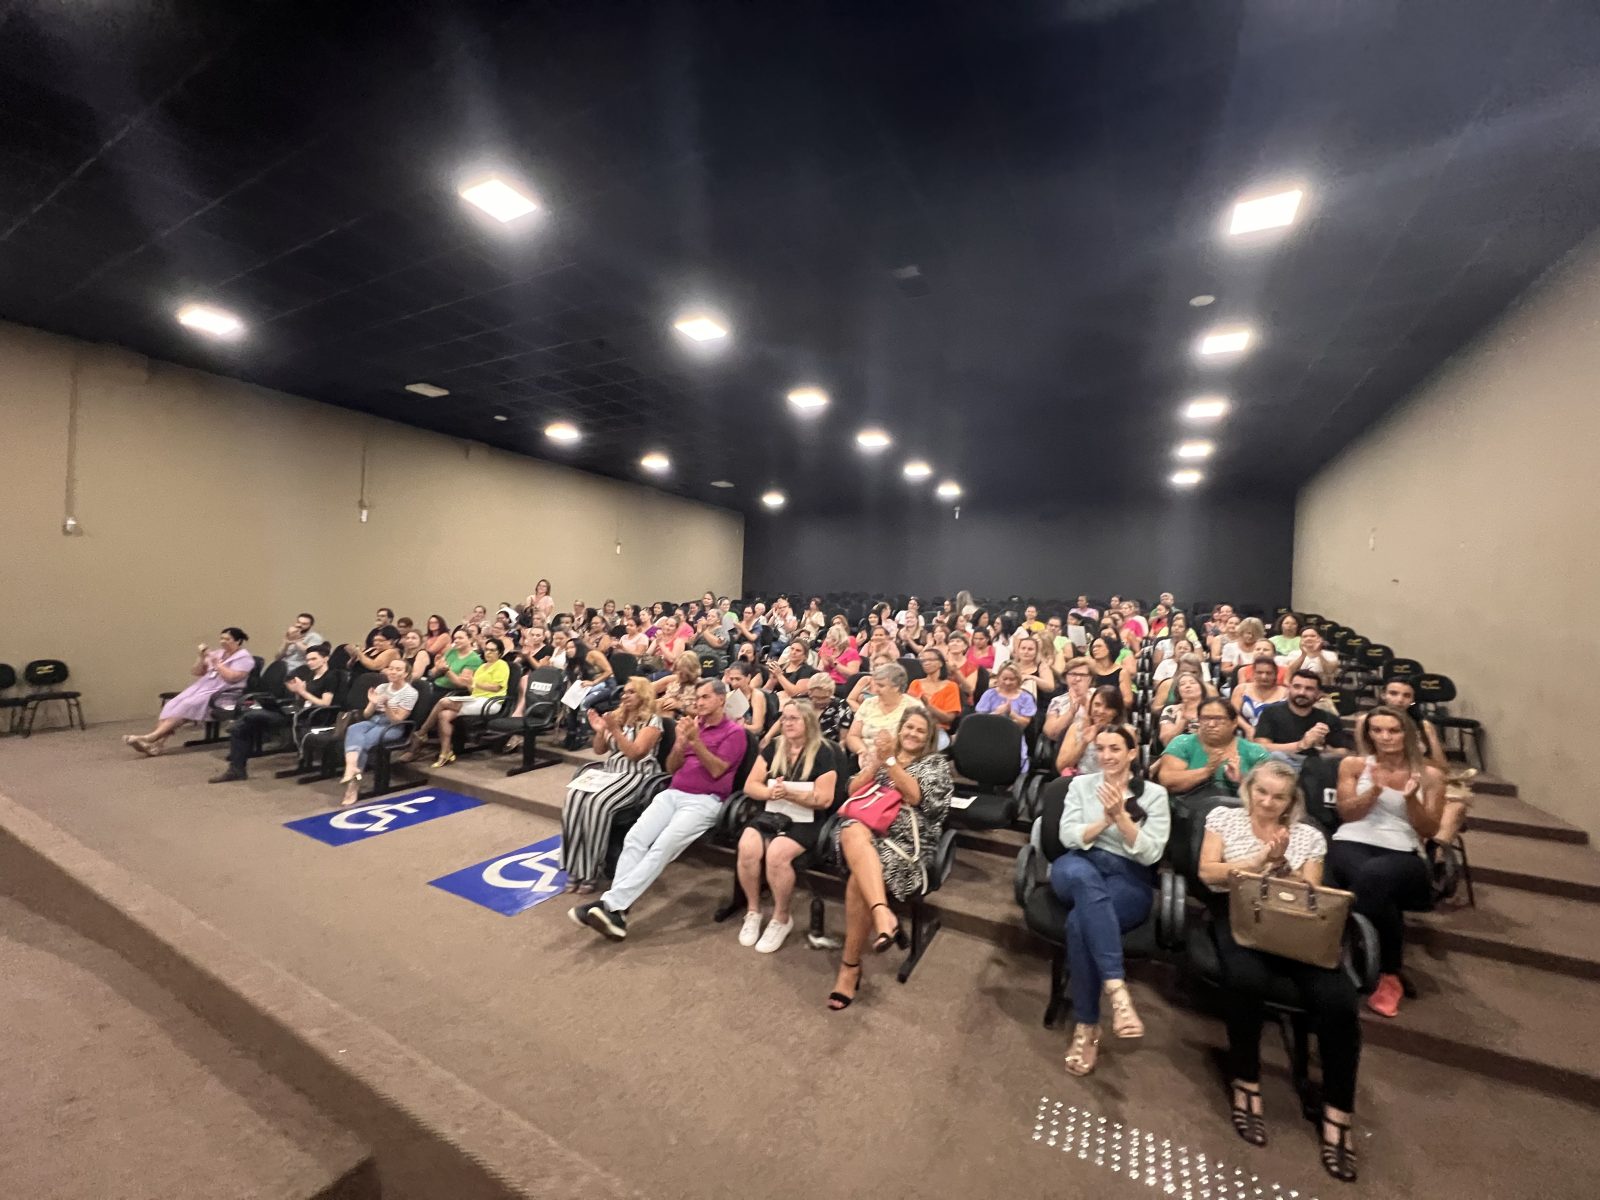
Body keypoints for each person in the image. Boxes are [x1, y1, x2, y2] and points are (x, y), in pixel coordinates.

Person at [1196, 761, 1360, 1183]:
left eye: (1279, 796)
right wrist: (1258, 859)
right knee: (1246, 980)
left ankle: (1338, 1111)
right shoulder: (1224, 818)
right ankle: (1246, 1081)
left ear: (1292, 802)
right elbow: (1208, 873)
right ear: (1249, 788)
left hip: (1293, 923)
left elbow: (1311, 893)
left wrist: (1283, 864)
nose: (1268, 802)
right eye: (1262, 792)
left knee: (1338, 1000)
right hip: (1236, 913)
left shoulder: (1307, 836)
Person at [572, 679, 749, 940]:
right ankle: (617, 912)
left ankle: (610, 906)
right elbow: (671, 768)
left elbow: (717, 770)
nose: (699, 702)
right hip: (673, 793)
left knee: (661, 847)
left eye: (705, 697)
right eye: (697, 697)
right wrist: (679, 744)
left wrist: (695, 741)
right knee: (635, 839)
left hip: (706, 801)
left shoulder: (735, 733)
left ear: (721, 700)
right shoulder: (693, 726)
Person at [1051, 726, 1171, 1075]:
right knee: (1086, 883)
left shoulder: (1154, 795)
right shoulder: (1081, 785)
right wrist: (1104, 820)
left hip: (1128, 876)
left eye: (1115, 748)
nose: (1106, 755)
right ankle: (1117, 989)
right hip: (1078, 864)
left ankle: (1087, 1025)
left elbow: (1150, 854)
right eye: (1100, 748)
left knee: (1079, 922)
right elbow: (1067, 835)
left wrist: (1122, 817)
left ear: (1133, 753)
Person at [828, 708, 952, 1009]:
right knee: (852, 829)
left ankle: (850, 967)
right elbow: (852, 791)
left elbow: (915, 797)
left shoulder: (936, 764)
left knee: (859, 877)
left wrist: (891, 762)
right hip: (864, 833)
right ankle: (882, 912)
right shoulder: (883, 755)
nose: (911, 734)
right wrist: (874, 764)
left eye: (919, 731)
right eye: (907, 727)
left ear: (929, 738)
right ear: (900, 729)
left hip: (906, 846)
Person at [1329, 706, 1445, 1018]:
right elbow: (1347, 814)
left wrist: (1409, 798)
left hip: (1402, 851)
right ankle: (1388, 973)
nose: (1385, 737)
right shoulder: (1354, 765)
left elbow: (1429, 830)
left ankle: (1353, 953)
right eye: (1377, 730)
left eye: (1393, 730)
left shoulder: (1430, 775)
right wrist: (1376, 788)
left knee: (1374, 876)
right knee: (1371, 882)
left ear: (1407, 733)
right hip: (1351, 841)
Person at [735, 700, 843, 953]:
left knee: (777, 854)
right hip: (774, 812)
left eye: (794, 718)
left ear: (808, 721)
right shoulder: (775, 747)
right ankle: (753, 911)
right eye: (784, 718)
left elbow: (825, 799)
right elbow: (751, 785)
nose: (787, 723)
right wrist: (772, 793)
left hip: (809, 818)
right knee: (747, 846)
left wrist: (789, 794)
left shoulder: (825, 752)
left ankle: (781, 918)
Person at [560, 676, 666, 895]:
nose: (625, 695)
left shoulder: (653, 721)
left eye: (631, 692)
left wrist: (615, 731)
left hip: (637, 774)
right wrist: (600, 730)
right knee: (575, 796)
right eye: (624, 692)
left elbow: (637, 753)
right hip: (611, 771)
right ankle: (574, 867)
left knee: (597, 804)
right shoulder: (617, 716)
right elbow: (599, 750)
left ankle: (589, 870)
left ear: (644, 695)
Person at [210, 643, 337, 783]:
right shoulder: (308, 674)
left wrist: (301, 691)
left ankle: (236, 765)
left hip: (310, 716)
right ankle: (236, 767)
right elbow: (300, 698)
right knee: (247, 720)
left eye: (314, 659)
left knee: (246, 720)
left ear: (325, 659)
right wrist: (296, 691)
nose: (309, 663)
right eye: (308, 660)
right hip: (294, 711)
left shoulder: (331, 677)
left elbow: (325, 703)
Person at [124, 628, 254, 756]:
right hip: (203, 689)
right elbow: (196, 672)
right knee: (173, 704)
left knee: (187, 705)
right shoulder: (219, 653)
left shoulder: (245, 658)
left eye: (227, 639)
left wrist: (217, 664)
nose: (223, 641)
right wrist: (201, 658)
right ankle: (157, 744)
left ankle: (152, 738)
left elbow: (232, 677)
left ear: (238, 641)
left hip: (225, 694)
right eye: (221, 638)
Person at [338, 657, 418, 806]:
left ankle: (353, 786)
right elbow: (367, 715)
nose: (393, 672)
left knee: (363, 743)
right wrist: (373, 703)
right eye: (391, 668)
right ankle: (351, 767)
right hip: (374, 720)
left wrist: (386, 704)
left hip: (392, 727)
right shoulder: (381, 687)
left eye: (398, 669)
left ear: (406, 674)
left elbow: (397, 720)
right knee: (353, 728)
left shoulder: (410, 693)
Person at [1155, 696, 1269, 795]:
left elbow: (1268, 793)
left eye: (1219, 719)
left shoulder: (1255, 752)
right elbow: (1167, 781)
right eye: (1205, 718)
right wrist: (1207, 771)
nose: (1211, 724)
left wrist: (1241, 780)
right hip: (1187, 813)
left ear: (1234, 723)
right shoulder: (1182, 743)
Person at [429, 639, 510, 768]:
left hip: (491, 702)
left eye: (492, 650)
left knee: (443, 701)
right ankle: (446, 752)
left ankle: (422, 732)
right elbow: (473, 690)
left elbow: (496, 688)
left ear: (499, 653)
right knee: (444, 715)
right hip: (476, 699)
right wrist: (468, 684)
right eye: (486, 649)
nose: (488, 653)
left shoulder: (501, 665)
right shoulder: (482, 667)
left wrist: (474, 682)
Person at [1252, 671, 1353, 767]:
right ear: (1289, 689)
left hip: (1315, 767)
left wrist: (1324, 748)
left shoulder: (1329, 718)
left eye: (1309, 689)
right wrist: (1301, 745)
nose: (1302, 692)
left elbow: (1346, 753)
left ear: (1318, 694)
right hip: (1279, 766)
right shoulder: (1271, 712)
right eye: (1297, 687)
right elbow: (1261, 747)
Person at [1055, 686, 1129, 777]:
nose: (1101, 711)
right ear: (1091, 706)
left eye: (1108, 708)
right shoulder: (1076, 728)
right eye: (1097, 705)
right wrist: (1084, 742)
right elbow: (1061, 767)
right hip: (1080, 784)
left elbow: (1129, 771)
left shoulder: (1126, 732)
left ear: (1116, 712)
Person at [976, 663, 1038, 771]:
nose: (1008, 682)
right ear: (998, 678)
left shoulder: (1026, 697)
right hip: (989, 735)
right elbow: (978, 720)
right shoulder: (989, 694)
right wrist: (996, 713)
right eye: (1004, 679)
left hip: (1013, 736)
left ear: (1018, 680)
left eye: (1012, 679)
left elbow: (1025, 723)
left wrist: (1011, 713)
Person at [843, 664, 914, 758]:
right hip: (864, 758)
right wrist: (862, 751)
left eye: (881, 685)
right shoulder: (868, 703)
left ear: (896, 687)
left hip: (898, 760)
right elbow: (852, 736)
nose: (875, 690)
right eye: (875, 684)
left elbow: (914, 743)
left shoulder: (913, 707)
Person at [1231, 655, 1289, 735]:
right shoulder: (1241, 689)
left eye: (1268, 673)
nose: (1264, 677)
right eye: (1259, 672)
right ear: (1253, 673)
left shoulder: (1286, 693)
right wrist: (1248, 729)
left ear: (1275, 674)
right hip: (1245, 733)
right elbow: (1232, 714)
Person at [909, 649, 961, 735]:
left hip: (937, 730)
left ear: (940, 663)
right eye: (923, 660)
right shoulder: (915, 683)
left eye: (930, 660)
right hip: (915, 727)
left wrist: (928, 706)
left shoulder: (951, 686)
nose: (926, 663)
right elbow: (909, 711)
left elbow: (948, 718)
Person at [1043, 658, 1094, 741]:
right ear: (1065, 678)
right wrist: (1071, 711)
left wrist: (1086, 703)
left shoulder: (1098, 695)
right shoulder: (1057, 701)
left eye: (1083, 675)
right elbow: (1051, 733)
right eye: (1073, 674)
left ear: (1090, 678)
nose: (1077, 679)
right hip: (1067, 745)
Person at [1157, 670, 1210, 744]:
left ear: (1202, 688)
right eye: (1182, 684)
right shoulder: (1170, 710)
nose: (1188, 686)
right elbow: (1166, 742)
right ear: (1178, 691)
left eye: (1192, 683)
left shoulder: (1212, 709)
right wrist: (1182, 721)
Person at [804, 674, 855, 745]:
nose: (820, 701)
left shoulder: (841, 706)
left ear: (831, 693)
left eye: (824, 698)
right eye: (816, 697)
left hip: (830, 748)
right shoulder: (801, 704)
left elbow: (843, 739)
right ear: (809, 693)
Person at [1086, 635, 1133, 706]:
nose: (1094, 649)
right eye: (1093, 647)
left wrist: (1107, 706)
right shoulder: (1090, 671)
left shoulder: (1121, 672)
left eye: (1099, 646)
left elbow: (1128, 700)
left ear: (1109, 648)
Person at [723, 662, 768, 734]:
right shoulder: (729, 696)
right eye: (732, 679)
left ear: (748, 678)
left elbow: (758, 728)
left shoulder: (757, 696)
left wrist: (740, 726)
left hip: (750, 737)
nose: (734, 683)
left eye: (738, 679)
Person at [654, 651, 703, 716]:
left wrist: (680, 705)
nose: (678, 674)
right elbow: (647, 688)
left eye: (682, 673)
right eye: (677, 670)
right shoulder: (673, 679)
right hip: (663, 712)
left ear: (691, 672)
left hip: (684, 718)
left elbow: (702, 712)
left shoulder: (701, 686)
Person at [1009, 634, 1056, 698]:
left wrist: (1031, 677)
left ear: (1036, 651)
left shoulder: (1042, 666)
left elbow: (1050, 686)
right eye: (1023, 648)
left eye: (1030, 649)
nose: (1026, 652)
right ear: (1018, 650)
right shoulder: (1010, 665)